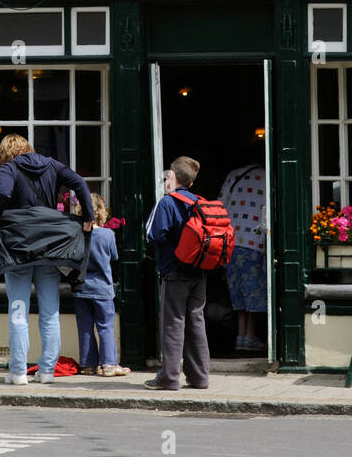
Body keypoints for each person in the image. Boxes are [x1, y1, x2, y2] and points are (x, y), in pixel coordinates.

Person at [0, 135, 94, 386]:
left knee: (18, 310)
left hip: (18, 247)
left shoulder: (9, 168)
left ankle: (18, 372)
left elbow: (3, 193)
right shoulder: (51, 164)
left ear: (4, 155)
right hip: (49, 246)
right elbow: (79, 183)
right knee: (50, 312)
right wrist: (88, 217)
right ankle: (46, 371)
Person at [145, 155, 208, 391]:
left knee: (173, 323)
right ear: (191, 183)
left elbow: (153, 234)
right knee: (196, 322)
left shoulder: (167, 202)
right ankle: (200, 377)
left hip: (174, 270)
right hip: (199, 271)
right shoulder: (200, 202)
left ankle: (169, 378)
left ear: (171, 176)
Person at [70, 193, 130, 377]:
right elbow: (114, 257)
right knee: (105, 326)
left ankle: (88, 365)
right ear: (101, 211)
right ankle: (109, 365)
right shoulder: (107, 234)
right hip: (102, 287)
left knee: (85, 327)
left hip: (81, 287)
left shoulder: (76, 234)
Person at [219, 160, 268, 354]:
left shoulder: (233, 174)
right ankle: (250, 335)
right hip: (254, 241)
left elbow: (220, 205)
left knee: (237, 291)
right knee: (254, 291)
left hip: (231, 241)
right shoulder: (267, 176)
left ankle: (241, 335)